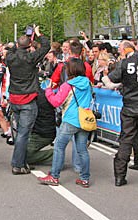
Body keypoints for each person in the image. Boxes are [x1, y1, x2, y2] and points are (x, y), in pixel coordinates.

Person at [38, 58, 92, 187]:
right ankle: (85, 178)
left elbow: (56, 102)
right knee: (82, 150)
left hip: (70, 119)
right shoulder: (88, 83)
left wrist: (48, 91)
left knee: (59, 147)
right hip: (84, 119)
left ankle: (54, 176)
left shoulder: (68, 85)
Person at [5, 26, 50, 175]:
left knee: (20, 133)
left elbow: (11, 48)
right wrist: (37, 34)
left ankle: (22, 161)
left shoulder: (10, 58)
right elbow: (46, 46)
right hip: (28, 99)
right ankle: (17, 164)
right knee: (24, 134)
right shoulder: (31, 58)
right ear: (29, 46)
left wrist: (24, 38)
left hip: (14, 98)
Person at [107, 37, 138, 191]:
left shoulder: (126, 62)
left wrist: (120, 85)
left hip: (129, 107)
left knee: (125, 140)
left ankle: (119, 176)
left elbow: (109, 80)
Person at [26, 88, 56, 166]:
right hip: (45, 130)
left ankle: (55, 154)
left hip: (41, 133)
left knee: (22, 156)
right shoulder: (44, 93)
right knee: (20, 152)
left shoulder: (34, 97)